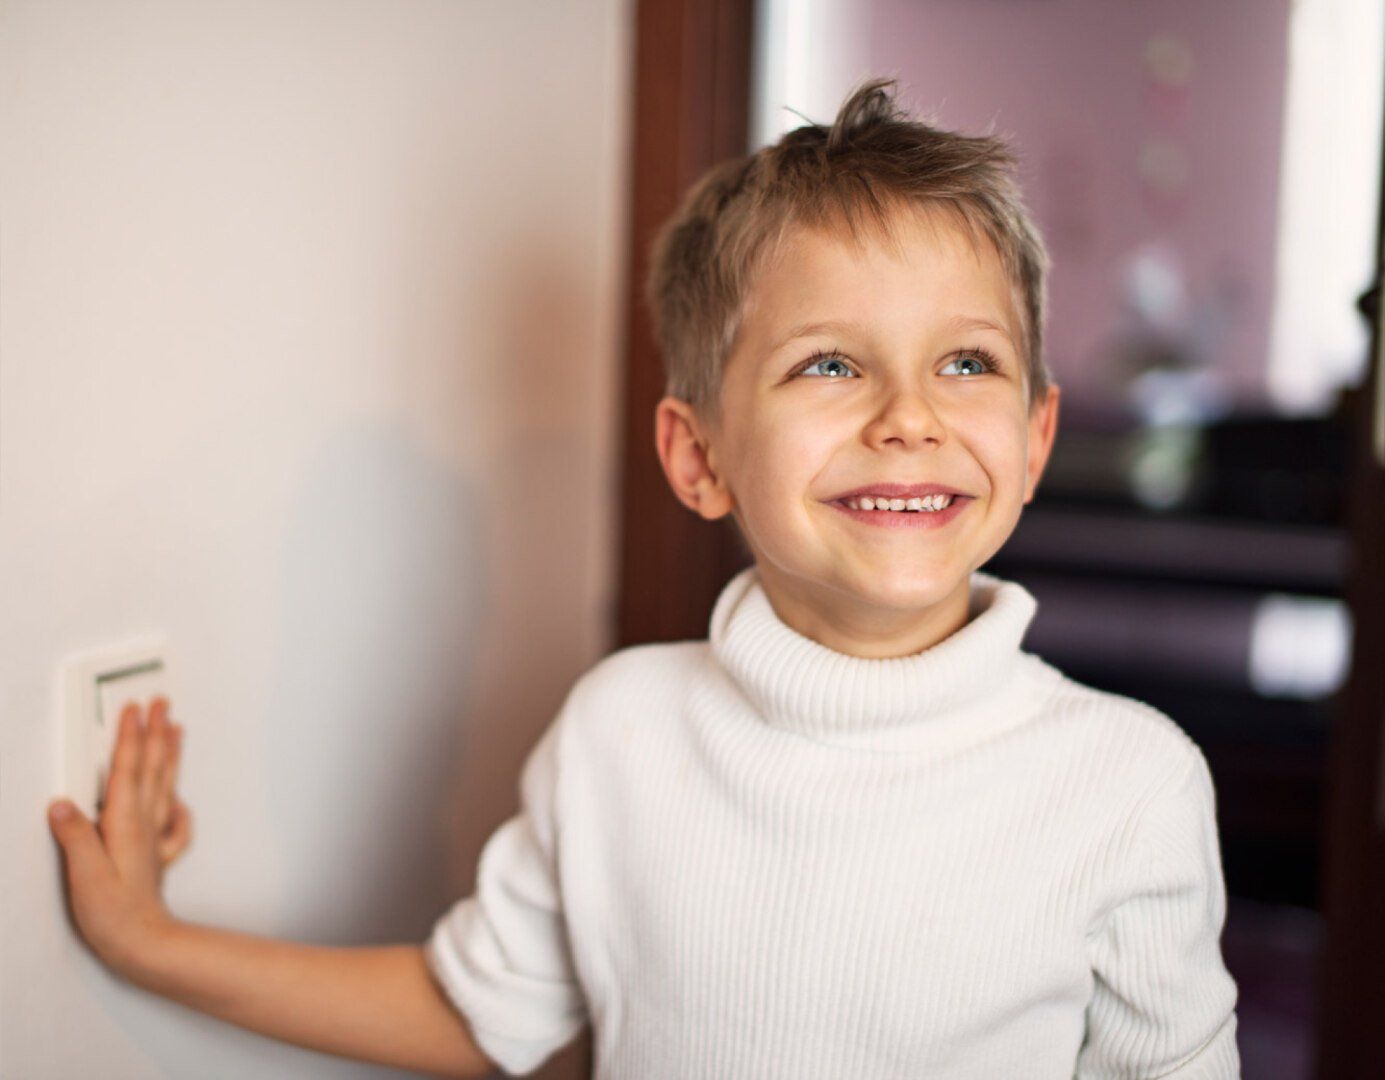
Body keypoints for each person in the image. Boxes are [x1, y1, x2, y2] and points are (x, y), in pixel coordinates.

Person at [46, 77, 1240, 1079]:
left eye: (965, 362)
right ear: (698, 455)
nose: (908, 418)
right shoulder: (618, 730)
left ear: (1032, 443)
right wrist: (149, 942)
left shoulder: (1126, 788)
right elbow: (474, 1010)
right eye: (829, 362)